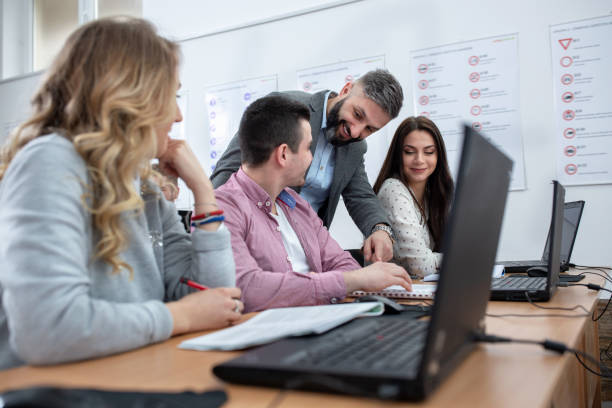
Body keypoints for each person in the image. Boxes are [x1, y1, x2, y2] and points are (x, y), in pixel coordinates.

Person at [0, 17, 242, 370]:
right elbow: (47, 329)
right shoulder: (50, 161)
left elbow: (213, 300)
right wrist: (180, 317)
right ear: (130, 98)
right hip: (48, 391)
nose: (177, 115)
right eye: (171, 95)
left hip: (124, 376)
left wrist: (205, 193)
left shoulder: (143, 186)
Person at [215, 95, 412, 312]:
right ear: (283, 154)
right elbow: (249, 290)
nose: (312, 158)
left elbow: (346, 265)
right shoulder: (223, 208)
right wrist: (332, 283)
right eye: (308, 148)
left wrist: (318, 284)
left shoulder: (297, 206)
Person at [211, 69, 404, 263]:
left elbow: (360, 195)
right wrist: (214, 227)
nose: (355, 132)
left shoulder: (356, 147)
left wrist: (381, 229)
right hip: (257, 245)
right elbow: (228, 172)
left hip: (306, 251)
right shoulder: (287, 110)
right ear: (346, 89)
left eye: (369, 129)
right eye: (357, 114)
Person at [372, 116, 454, 278]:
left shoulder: (433, 193)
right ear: (398, 155)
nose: (419, 160)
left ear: (439, 156)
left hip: (420, 291)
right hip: (394, 295)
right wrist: (457, 259)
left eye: (429, 152)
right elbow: (421, 266)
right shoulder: (393, 190)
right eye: (409, 152)